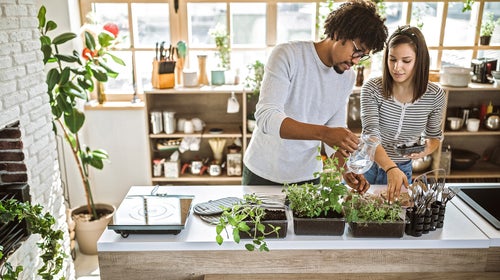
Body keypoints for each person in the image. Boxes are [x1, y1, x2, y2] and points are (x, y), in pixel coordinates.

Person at [242, 0, 388, 193]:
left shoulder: (347, 77)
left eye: (363, 56)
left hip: (308, 178)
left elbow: (334, 130)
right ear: (339, 33)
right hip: (263, 173)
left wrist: (345, 168)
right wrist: (325, 133)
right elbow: (266, 117)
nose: (356, 61)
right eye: (357, 50)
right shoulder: (288, 55)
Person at [360, 25, 446, 203]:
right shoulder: (372, 89)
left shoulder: (434, 95)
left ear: (419, 60)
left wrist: (422, 151)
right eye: (392, 59)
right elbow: (371, 135)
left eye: (406, 61)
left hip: (402, 170)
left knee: (393, 220)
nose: (397, 67)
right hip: (367, 165)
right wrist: (390, 167)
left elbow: (434, 137)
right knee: (361, 217)